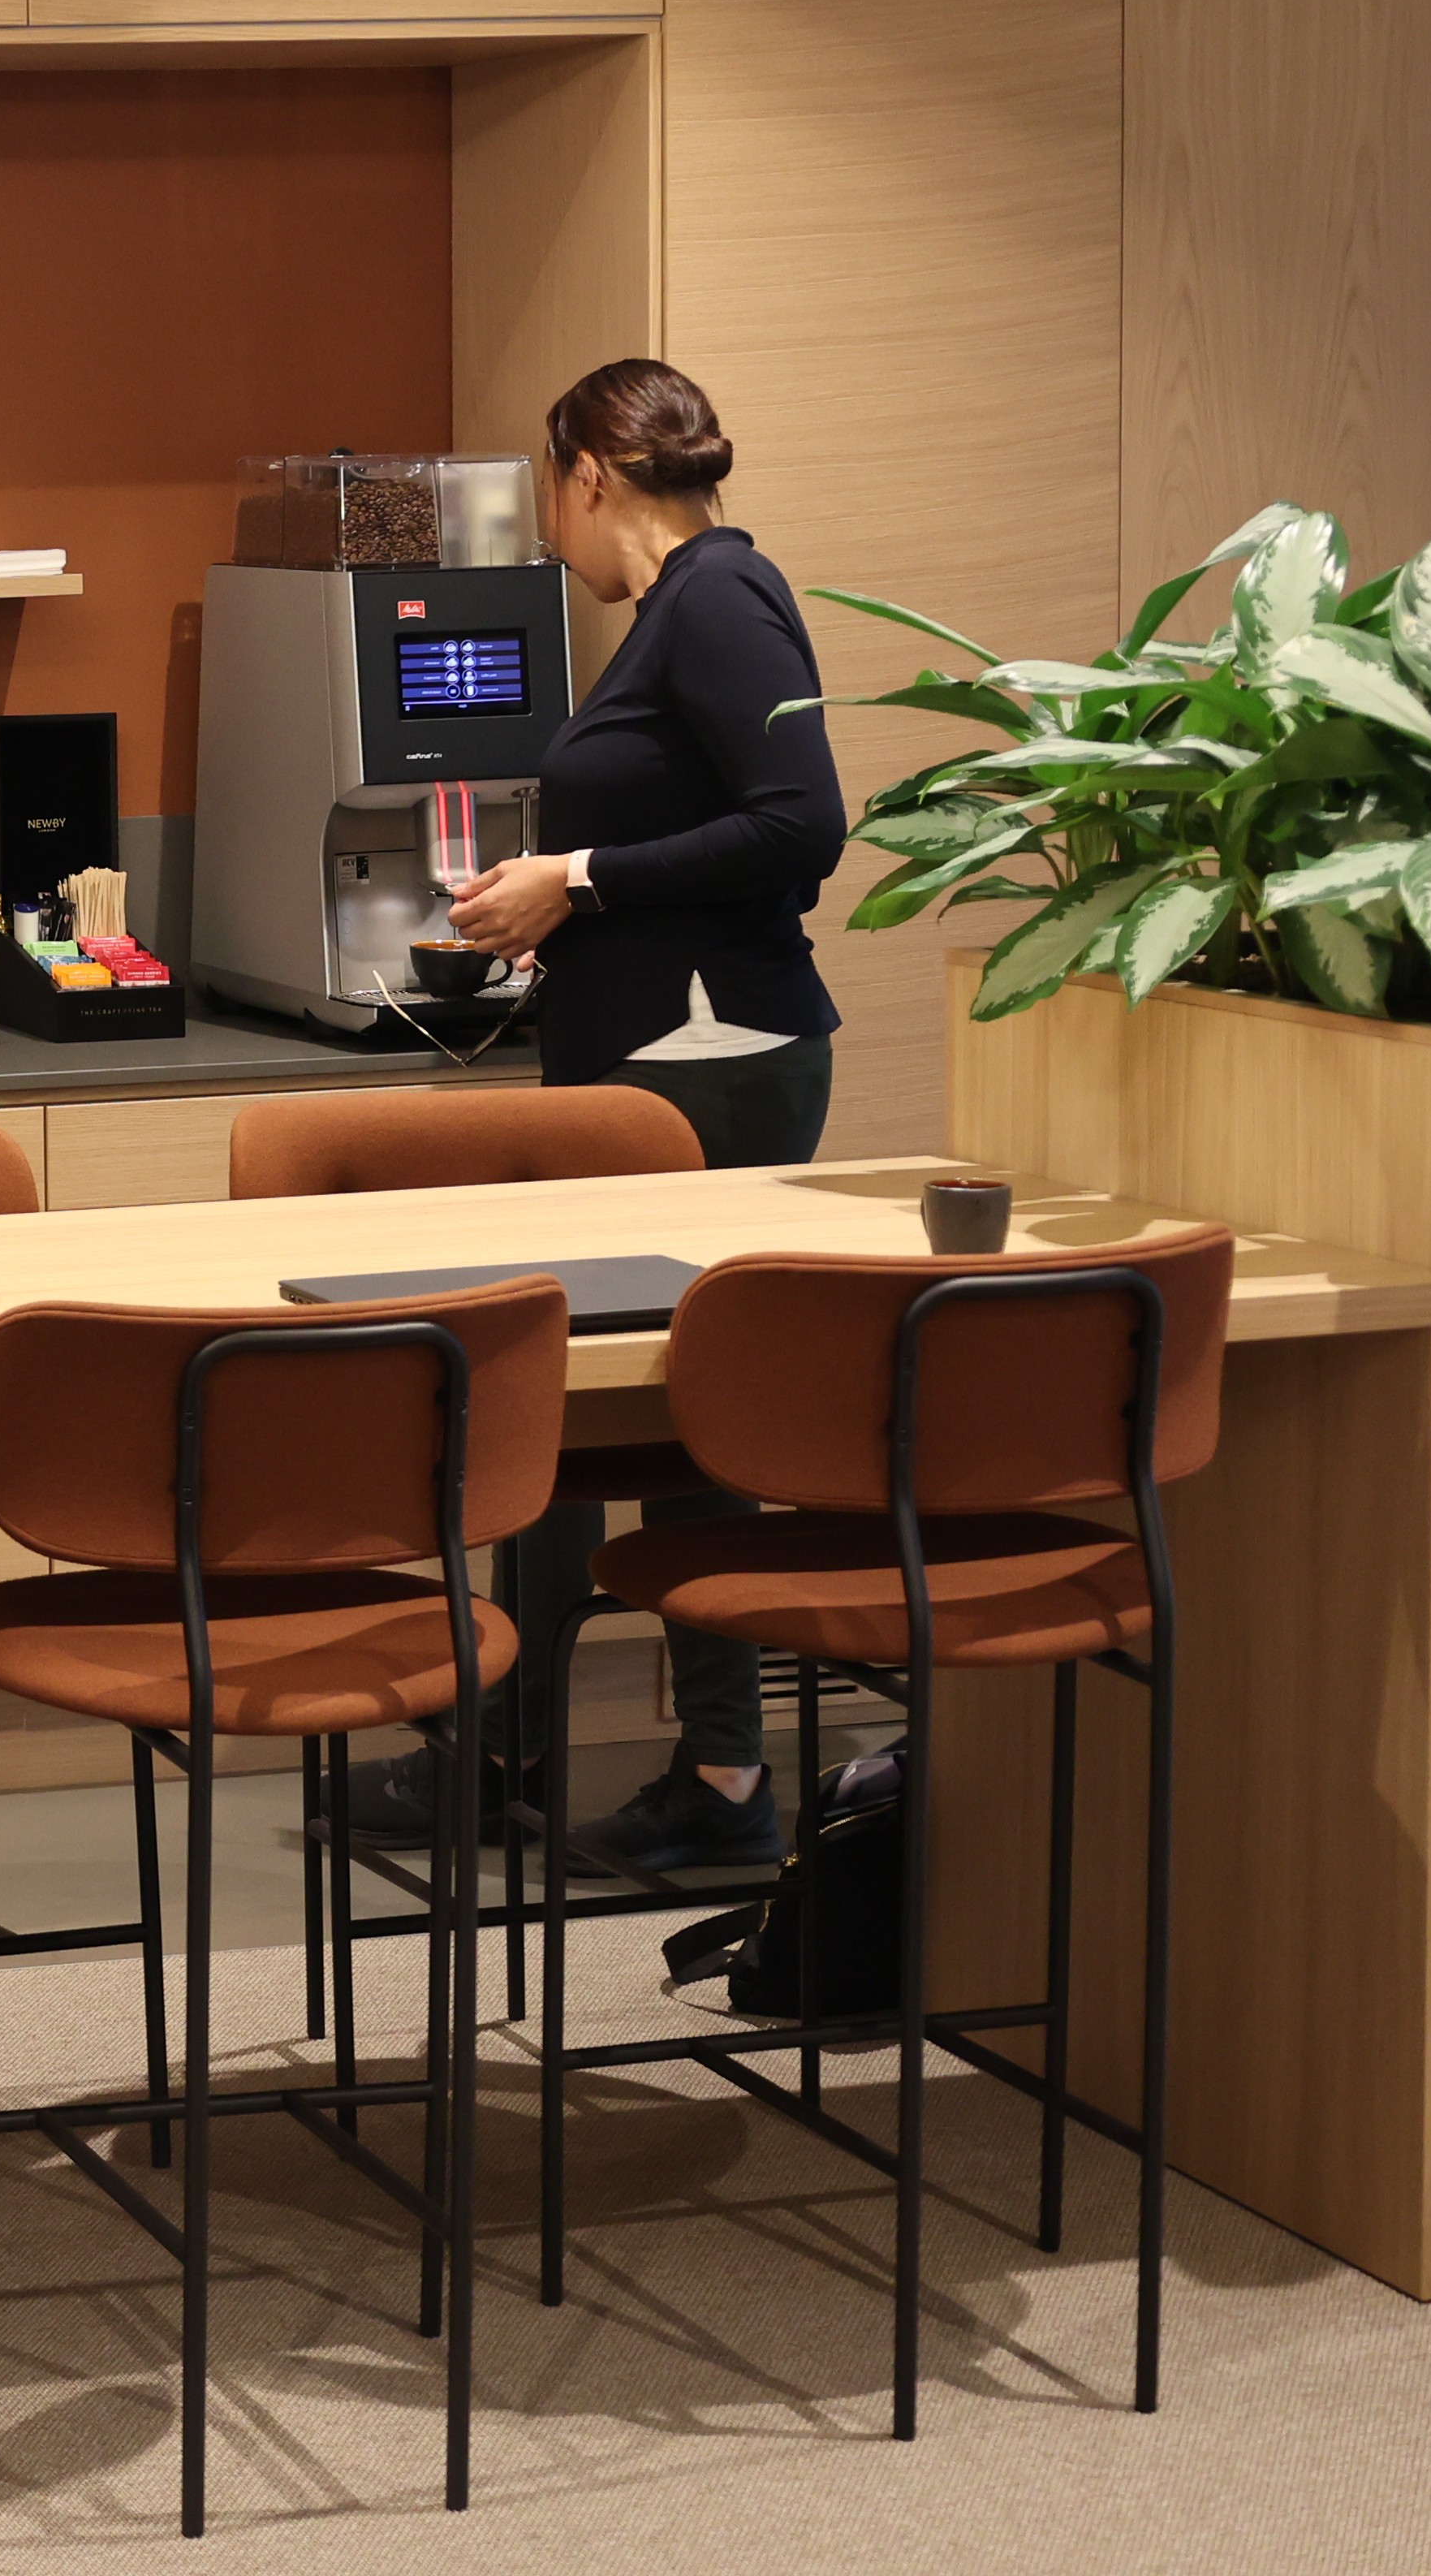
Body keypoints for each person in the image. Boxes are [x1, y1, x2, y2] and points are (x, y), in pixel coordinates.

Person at [351, 357, 848, 1873]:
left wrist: (574, 879)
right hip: (649, 1064)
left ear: (586, 474)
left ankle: (709, 1776)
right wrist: (559, 910)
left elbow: (802, 825)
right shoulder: (680, 613)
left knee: (680, 1418)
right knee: (569, 1413)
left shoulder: (718, 601)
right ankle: (520, 1743)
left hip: (714, 1070)